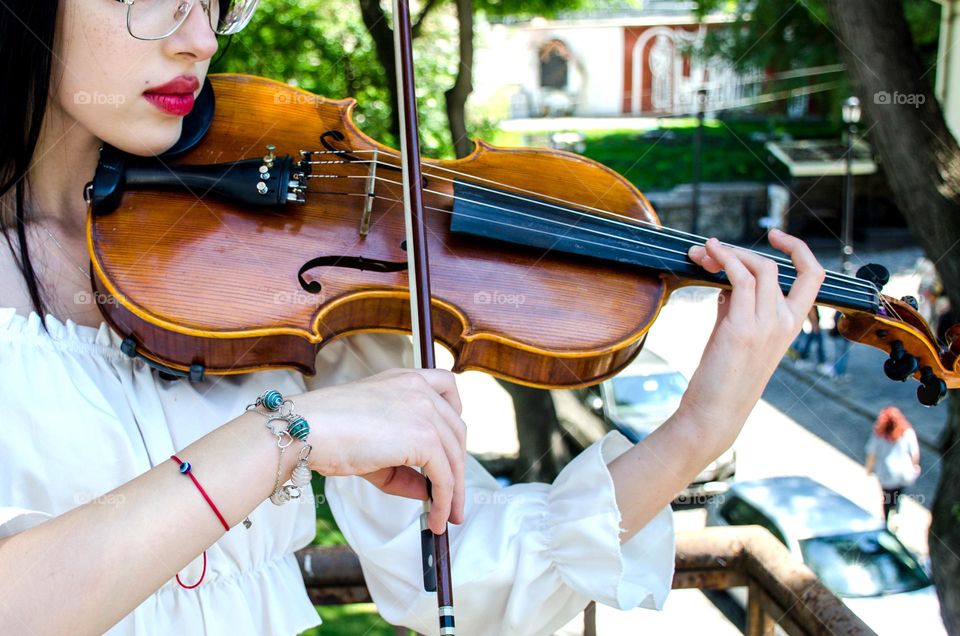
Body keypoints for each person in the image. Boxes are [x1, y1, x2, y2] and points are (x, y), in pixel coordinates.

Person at [0, 1, 827, 634]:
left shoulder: (269, 259)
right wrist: (284, 435)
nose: (200, 38)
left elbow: (457, 571)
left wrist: (698, 430)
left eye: (213, 0)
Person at [865, 406, 921, 528]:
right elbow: (915, 454)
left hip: (886, 473)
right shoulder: (907, 432)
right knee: (898, 495)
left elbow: (872, 455)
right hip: (903, 472)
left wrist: (868, 470)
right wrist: (915, 466)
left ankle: (886, 521)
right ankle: (896, 514)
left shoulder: (879, 435)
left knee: (887, 498)